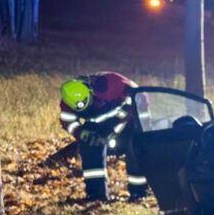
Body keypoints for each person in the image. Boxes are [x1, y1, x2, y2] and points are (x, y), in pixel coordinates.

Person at [59, 72, 148, 201]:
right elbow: (68, 121)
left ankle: (138, 194)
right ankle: (96, 195)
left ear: (91, 91)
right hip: (97, 125)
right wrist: (82, 133)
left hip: (127, 121)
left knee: (134, 147)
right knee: (90, 148)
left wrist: (125, 122)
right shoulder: (69, 101)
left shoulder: (113, 84)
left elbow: (140, 97)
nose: (92, 106)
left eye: (90, 102)